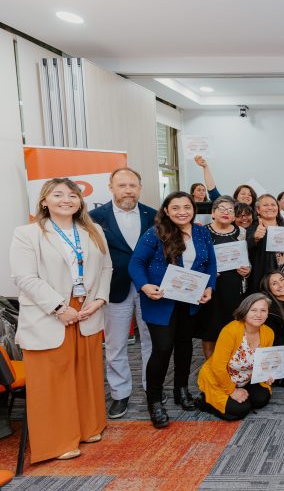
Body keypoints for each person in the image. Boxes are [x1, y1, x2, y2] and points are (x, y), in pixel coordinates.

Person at [10, 178, 112, 462]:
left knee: (85, 373)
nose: (66, 200)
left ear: (80, 201)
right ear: (44, 201)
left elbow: (106, 267)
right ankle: (57, 442)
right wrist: (59, 307)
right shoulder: (27, 233)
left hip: (86, 311)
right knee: (53, 379)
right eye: (57, 195)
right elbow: (24, 277)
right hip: (49, 312)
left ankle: (88, 427)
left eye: (72, 195)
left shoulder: (93, 231)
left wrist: (100, 300)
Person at [128, 191, 217, 429]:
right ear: (166, 211)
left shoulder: (201, 233)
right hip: (160, 300)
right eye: (175, 207)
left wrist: (209, 286)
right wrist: (144, 286)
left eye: (186, 207)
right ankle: (154, 400)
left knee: (185, 345)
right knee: (163, 348)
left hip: (189, 300)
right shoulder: (155, 233)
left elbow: (211, 262)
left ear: (194, 209)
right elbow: (136, 262)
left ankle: (181, 390)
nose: (182, 212)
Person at [89, 167, 157, 419]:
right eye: (122, 185)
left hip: (149, 288)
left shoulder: (154, 215)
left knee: (151, 341)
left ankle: (152, 388)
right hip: (114, 287)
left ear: (139, 188)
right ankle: (120, 393)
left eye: (132, 185)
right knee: (115, 344)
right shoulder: (94, 217)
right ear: (111, 187)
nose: (128, 190)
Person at [197, 293, 274, 420]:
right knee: (240, 410)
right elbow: (218, 368)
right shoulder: (230, 331)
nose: (259, 315)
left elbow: (263, 362)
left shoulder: (268, 333)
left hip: (245, 377)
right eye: (253, 310)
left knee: (261, 399)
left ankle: (240, 394)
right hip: (219, 379)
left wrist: (266, 375)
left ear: (267, 313)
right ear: (245, 311)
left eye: (263, 310)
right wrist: (232, 391)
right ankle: (204, 401)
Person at [196, 196, 250, 360]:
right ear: (213, 213)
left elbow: (246, 258)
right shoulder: (202, 232)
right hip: (210, 287)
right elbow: (195, 259)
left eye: (230, 210)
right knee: (210, 330)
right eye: (222, 209)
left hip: (234, 287)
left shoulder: (241, 232)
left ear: (234, 216)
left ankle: (229, 365)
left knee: (232, 327)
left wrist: (247, 270)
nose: (226, 212)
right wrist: (206, 272)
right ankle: (211, 365)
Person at [246, 194, 284, 295]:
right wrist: (255, 238)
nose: (270, 207)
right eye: (265, 205)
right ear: (258, 209)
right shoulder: (252, 229)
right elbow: (249, 252)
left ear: (278, 208)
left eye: (273, 205)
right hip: (266, 281)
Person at [193, 156, 257, 213]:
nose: (247, 196)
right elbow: (212, 190)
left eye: (250, 195)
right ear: (236, 196)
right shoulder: (228, 207)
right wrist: (205, 167)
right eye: (243, 193)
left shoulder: (257, 213)